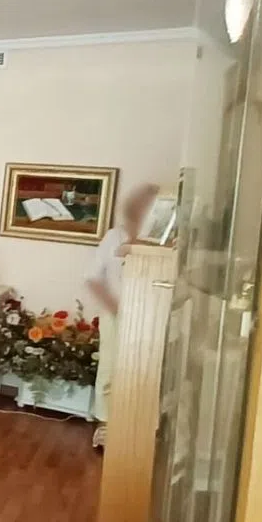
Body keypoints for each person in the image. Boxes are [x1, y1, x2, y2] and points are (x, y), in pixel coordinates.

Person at [84, 183, 160, 447]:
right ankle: (105, 426)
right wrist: (116, 310)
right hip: (115, 314)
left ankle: (138, 431)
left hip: (152, 318)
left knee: (145, 374)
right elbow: (93, 278)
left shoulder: (163, 241)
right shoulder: (114, 237)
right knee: (110, 371)